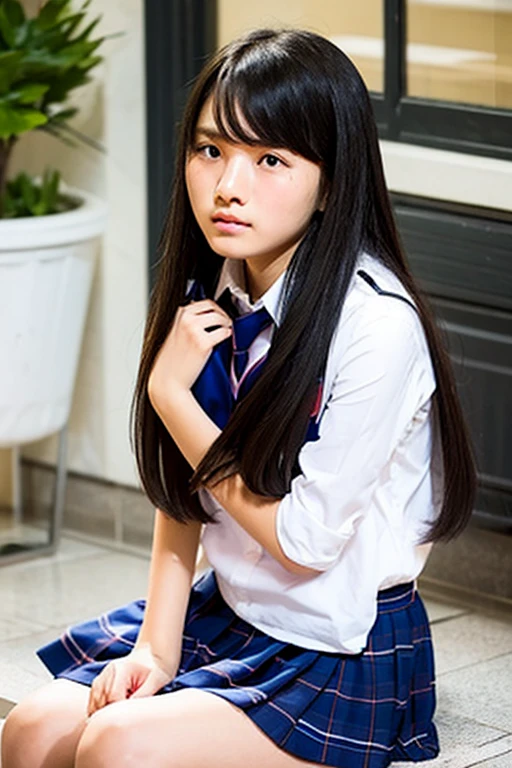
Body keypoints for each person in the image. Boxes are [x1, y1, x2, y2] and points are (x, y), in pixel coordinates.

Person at [2, 27, 477, 768]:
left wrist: (172, 396)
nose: (228, 185)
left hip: (337, 644)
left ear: (332, 182)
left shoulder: (378, 327)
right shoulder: (215, 292)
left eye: (270, 160)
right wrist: (157, 646)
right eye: (210, 150)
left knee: (117, 746)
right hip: (230, 611)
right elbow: (181, 495)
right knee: (31, 729)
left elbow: (305, 541)